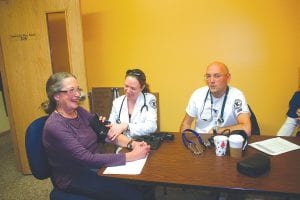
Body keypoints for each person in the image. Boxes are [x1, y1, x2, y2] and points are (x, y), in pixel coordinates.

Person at [41, 72, 154, 200]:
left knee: (143, 184)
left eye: (78, 89)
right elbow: (86, 158)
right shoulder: (55, 125)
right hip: (74, 176)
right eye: (71, 90)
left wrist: (132, 144)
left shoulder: (79, 111)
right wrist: (131, 156)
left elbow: (104, 132)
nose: (78, 94)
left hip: (94, 166)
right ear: (56, 95)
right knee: (133, 195)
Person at [180, 61, 252, 136]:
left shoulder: (236, 95)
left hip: (224, 142)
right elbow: (186, 124)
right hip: (200, 142)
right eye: (208, 76)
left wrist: (217, 131)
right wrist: (187, 141)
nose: (211, 81)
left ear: (228, 78)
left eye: (217, 76)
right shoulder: (197, 94)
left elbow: (246, 128)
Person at [108, 69, 157, 138]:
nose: (128, 91)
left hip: (142, 143)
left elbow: (152, 126)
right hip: (123, 144)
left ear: (142, 88)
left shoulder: (149, 99)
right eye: (126, 86)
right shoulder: (117, 102)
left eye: (133, 88)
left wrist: (127, 126)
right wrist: (105, 124)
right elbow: (111, 125)